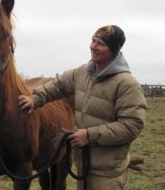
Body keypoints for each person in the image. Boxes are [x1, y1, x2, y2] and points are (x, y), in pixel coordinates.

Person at [18, 25, 147, 190]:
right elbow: (57, 85)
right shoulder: (83, 72)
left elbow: (132, 125)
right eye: (93, 41)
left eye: (100, 43)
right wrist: (35, 98)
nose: (93, 46)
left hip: (107, 170)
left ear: (113, 50)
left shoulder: (127, 84)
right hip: (84, 164)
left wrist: (89, 135)